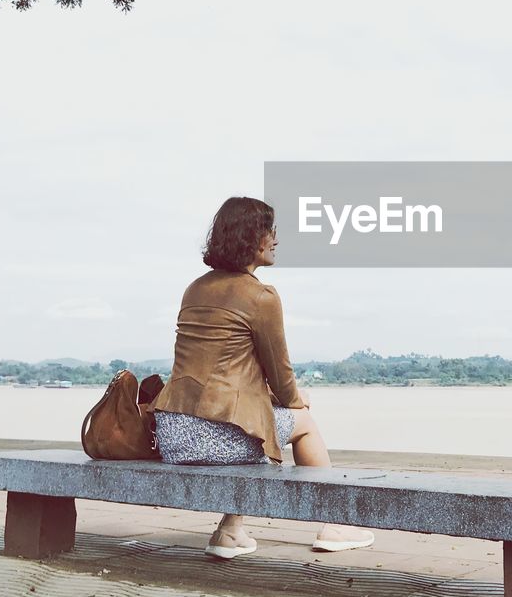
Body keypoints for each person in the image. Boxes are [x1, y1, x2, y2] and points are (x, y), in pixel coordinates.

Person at [151, 196, 375, 560]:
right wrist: (295, 403)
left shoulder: (194, 289)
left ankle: (230, 532)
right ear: (249, 238)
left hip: (173, 434)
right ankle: (334, 524)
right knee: (302, 423)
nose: (276, 239)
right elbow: (280, 372)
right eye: (270, 231)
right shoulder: (260, 296)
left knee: (259, 425)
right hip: (215, 437)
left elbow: (219, 370)